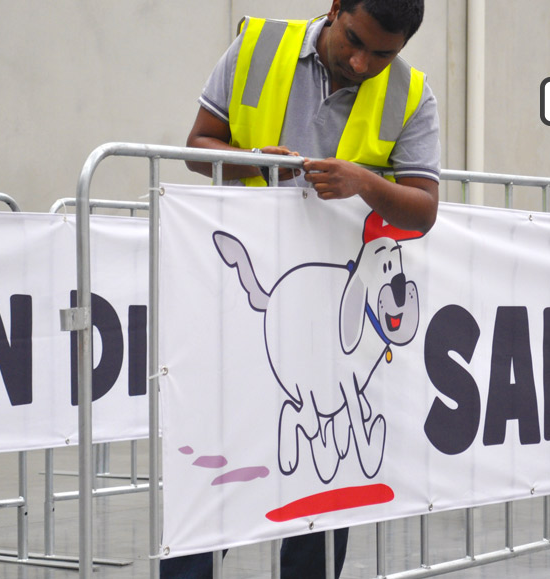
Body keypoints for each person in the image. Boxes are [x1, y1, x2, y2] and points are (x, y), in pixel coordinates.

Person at [163, 1, 439, 577]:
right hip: (233, 307)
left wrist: (362, 181)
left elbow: (423, 209)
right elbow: (198, 147)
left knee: (322, 475)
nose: (362, 63)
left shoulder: (412, 94)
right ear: (335, 8)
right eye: (355, 41)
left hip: (330, 321)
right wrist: (253, 162)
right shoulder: (258, 47)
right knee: (217, 460)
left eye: (383, 54)